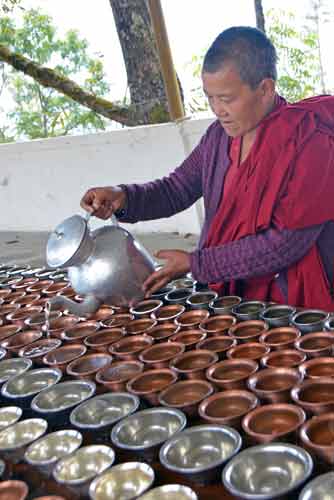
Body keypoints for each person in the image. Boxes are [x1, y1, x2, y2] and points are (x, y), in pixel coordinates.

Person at [81, 26, 334, 310]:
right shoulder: (218, 138)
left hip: (296, 295)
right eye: (210, 97)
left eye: (226, 99)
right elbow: (176, 188)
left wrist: (197, 264)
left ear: (265, 89)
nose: (217, 110)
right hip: (231, 287)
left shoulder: (308, 140)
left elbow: (285, 243)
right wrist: (124, 197)